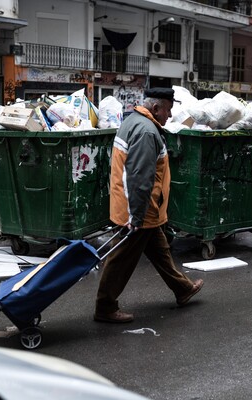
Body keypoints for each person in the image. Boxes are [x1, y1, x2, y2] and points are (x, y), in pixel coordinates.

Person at [94, 87, 204, 323]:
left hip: (145, 209)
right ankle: (105, 307)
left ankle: (183, 289)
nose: (170, 116)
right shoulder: (146, 132)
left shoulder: (135, 121)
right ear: (155, 108)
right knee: (120, 260)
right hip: (138, 211)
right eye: (168, 110)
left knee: (160, 251)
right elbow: (140, 178)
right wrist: (136, 216)